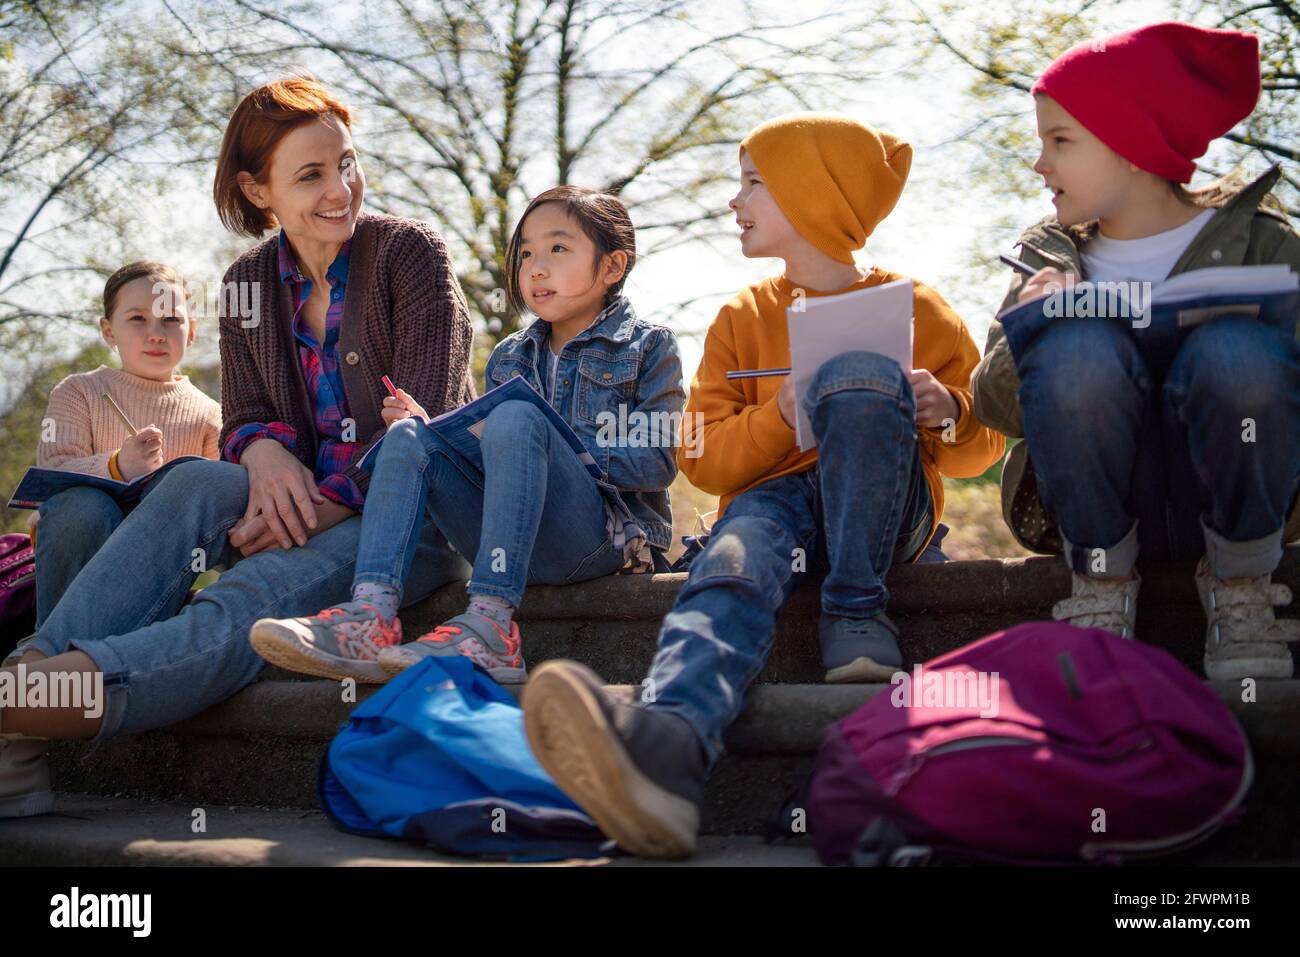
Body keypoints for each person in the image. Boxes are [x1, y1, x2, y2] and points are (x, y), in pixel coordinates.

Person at [520, 112, 1005, 858]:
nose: (733, 200)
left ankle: (855, 612)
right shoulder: (741, 317)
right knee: (732, 559)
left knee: (858, 375)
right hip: (771, 504)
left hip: (883, 511)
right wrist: (781, 412)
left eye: (752, 183)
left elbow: (981, 452)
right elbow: (704, 460)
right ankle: (668, 747)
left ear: (814, 197)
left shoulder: (921, 308)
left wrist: (949, 413)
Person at [0, 77, 474, 819]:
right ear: (259, 190)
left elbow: (426, 419)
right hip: (298, 498)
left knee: (251, 598)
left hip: (407, 522)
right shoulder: (248, 282)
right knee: (191, 482)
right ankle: (27, 680)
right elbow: (249, 411)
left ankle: (33, 706)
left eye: (346, 163)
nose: (340, 189)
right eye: (311, 174)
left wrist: (316, 505)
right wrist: (259, 453)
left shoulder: (407, 255)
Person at [249, 186, 684, 685]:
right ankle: (370, 617)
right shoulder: (510, 355)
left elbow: (655, 462)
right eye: (525, 254)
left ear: (611, 267)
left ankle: (493, 627)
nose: (535, 268)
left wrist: (547, 438)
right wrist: (442, 435)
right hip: (511, 537)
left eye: (558, 249)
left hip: (600, 540)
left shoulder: (650, 346)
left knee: (518, 418)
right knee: (409, 435)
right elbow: (490, 464)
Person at [970, 22, 1300, 678]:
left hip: (1236, 498)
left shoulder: (1265, 241)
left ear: (1131, 146)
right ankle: (1101, 590)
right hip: (1103, 511)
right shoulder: (1049, 254)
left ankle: (1240, 590)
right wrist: (1036, 319)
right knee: (1075, 348)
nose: (1041, 163)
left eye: (1060, 141)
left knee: (1237, 352)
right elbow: (994, 404)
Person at [32, 261, 221, 627]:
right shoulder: (78, 392)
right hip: (76, 558)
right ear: (108, 331)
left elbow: (215, 507)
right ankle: (52, 642)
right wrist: (119, 466)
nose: (155, 334)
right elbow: (51, 471)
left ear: (192, 331)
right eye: (137, 319)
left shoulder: (209, 414)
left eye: (170, 320)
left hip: (157, 564)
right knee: (84, 508)